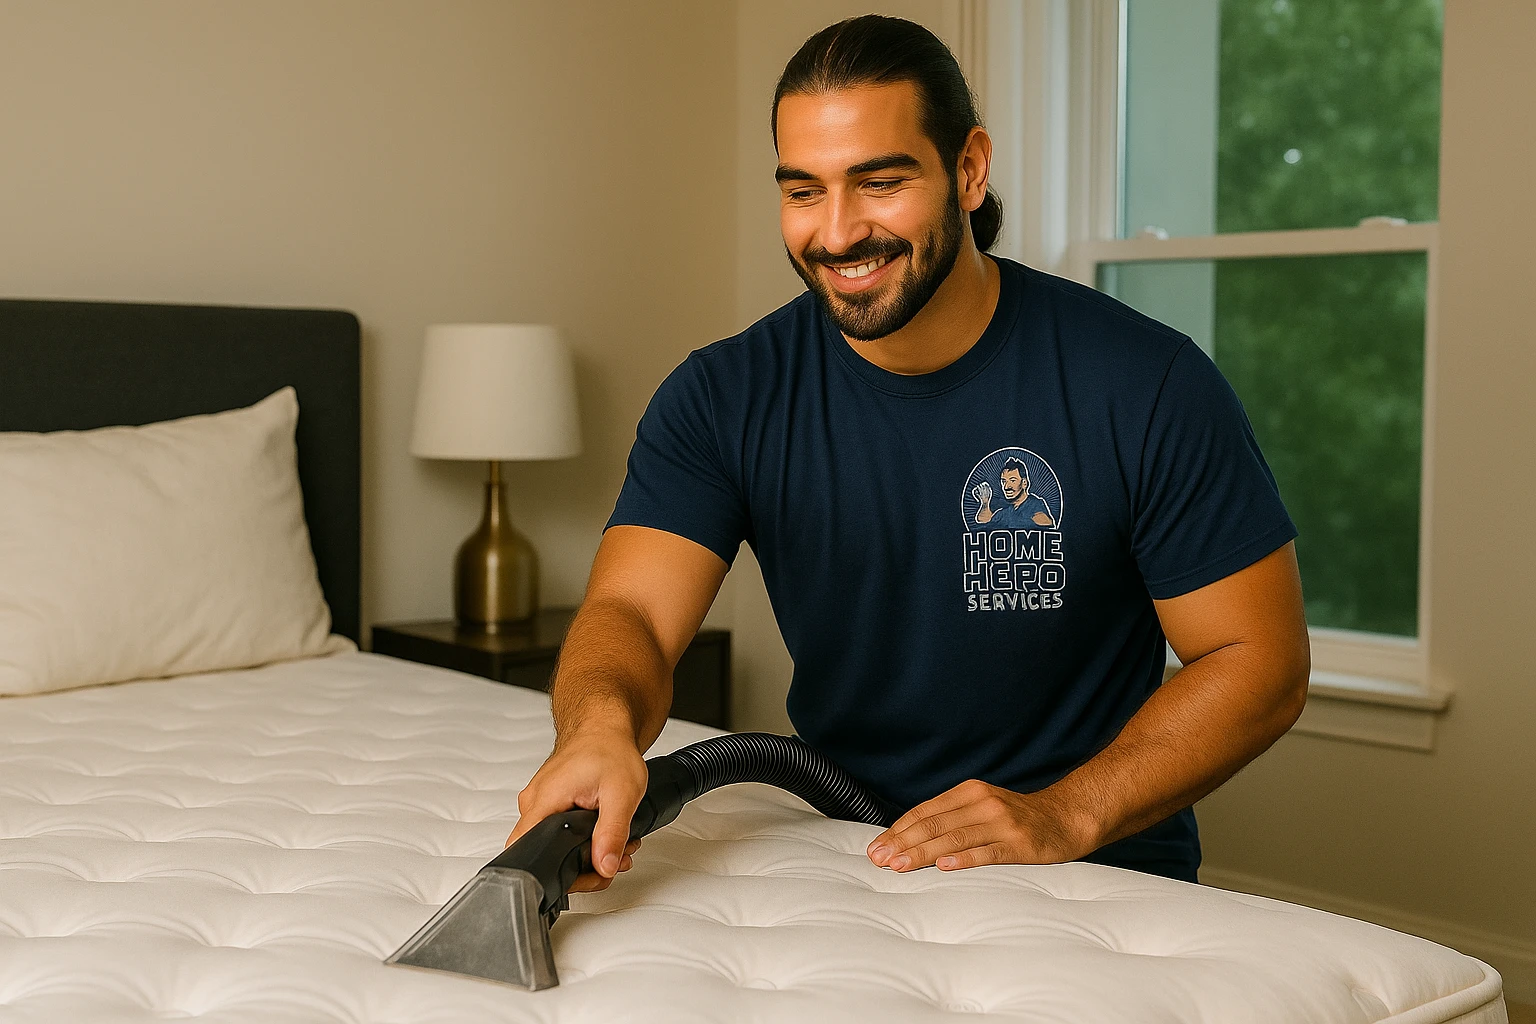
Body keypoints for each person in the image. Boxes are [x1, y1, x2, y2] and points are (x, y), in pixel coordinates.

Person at [509, 15, 1309, 891]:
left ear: (968, 169)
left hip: (1093, 868)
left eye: (879, 182)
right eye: (804, 190)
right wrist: (598, 728)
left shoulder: (1144, 382)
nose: (840, 232)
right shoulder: (724, 396)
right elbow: (632, 613)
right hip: (850, 852)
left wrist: (1065, 811)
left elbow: (1258, 660)